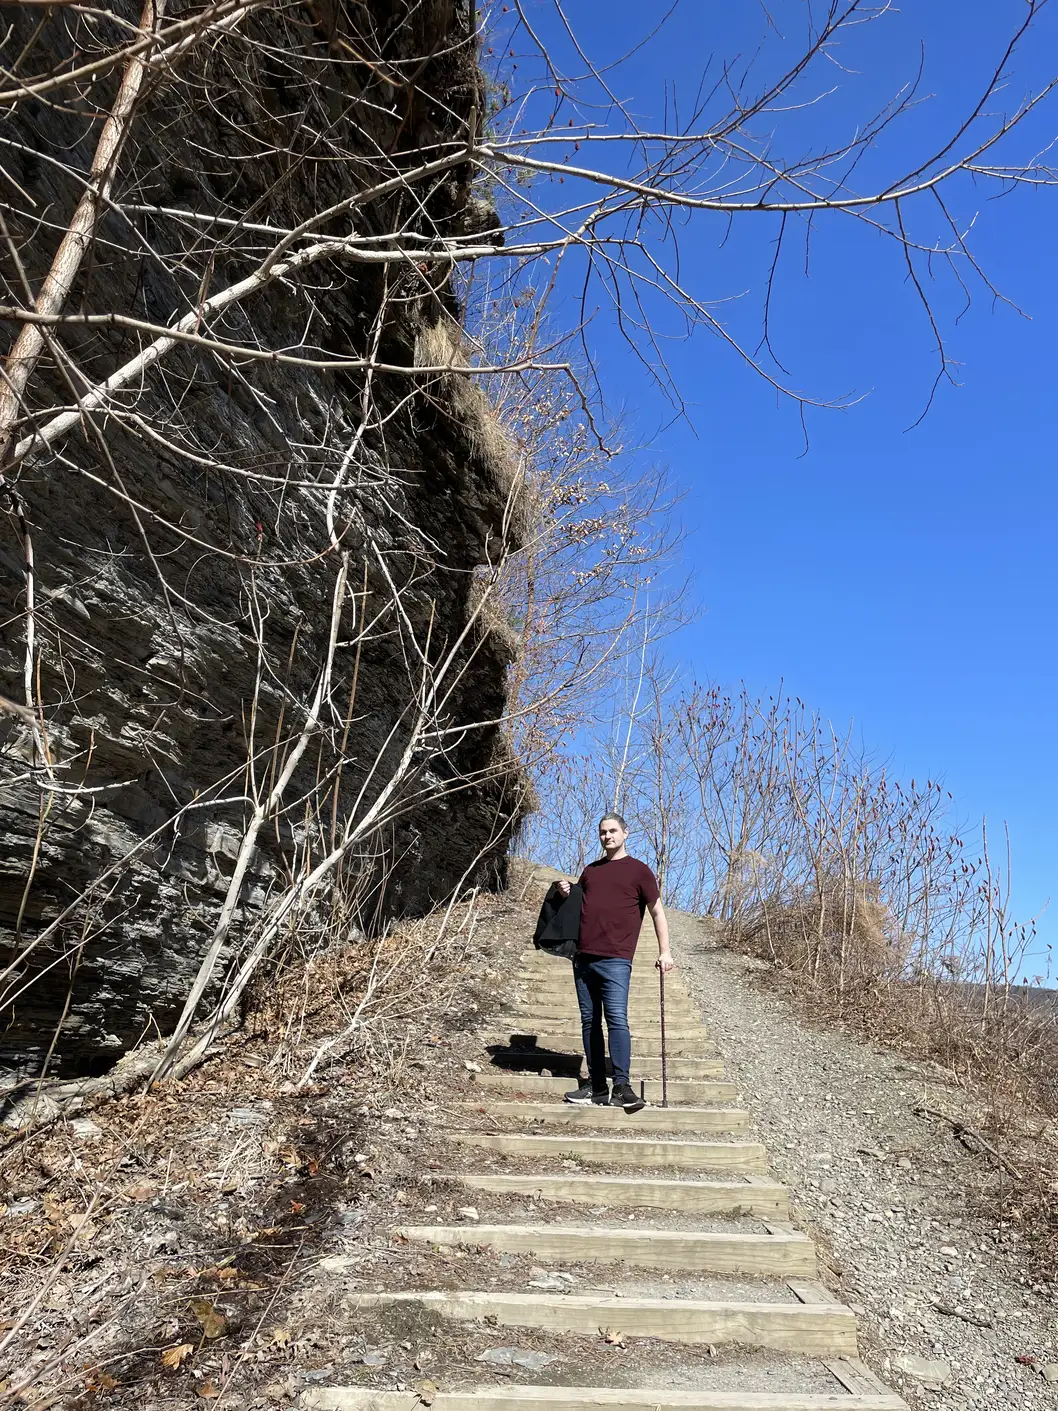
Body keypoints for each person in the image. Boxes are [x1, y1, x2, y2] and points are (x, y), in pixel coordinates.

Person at [555, 813, 674, 1110]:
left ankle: (621, 1086)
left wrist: (665, 951)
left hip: (617, 959)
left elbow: (657, 912)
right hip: (583, 958)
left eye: (612, 831)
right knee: (589, 1021)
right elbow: (577, 905)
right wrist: (567, 891)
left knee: (617, 1019)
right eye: (602, 832)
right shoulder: (591, 871)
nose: (607, 836)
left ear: (625, 833)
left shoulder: (640, 872)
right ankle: (596, 1088)